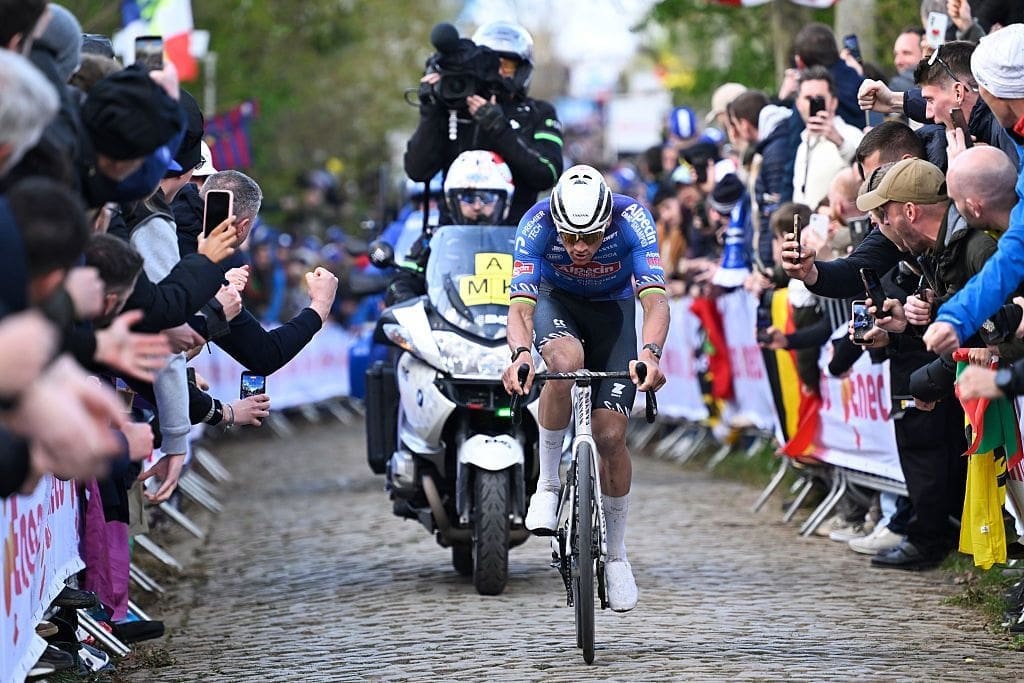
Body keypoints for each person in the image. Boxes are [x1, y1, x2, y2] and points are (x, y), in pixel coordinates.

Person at [502, 165, 670, 612]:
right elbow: (519, 306)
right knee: (565, 364)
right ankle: (549, 483)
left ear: (607, 222)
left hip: (613, 314)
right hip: (558, 306)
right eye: (570, 238)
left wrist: (650, 354)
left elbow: (654, 300)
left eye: (591, 238)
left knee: (611, 436)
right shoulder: (536, 224)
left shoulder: (632, 219)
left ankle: (616, 556)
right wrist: (520, 355)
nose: (579, 248)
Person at [924, 24, 1024, 355]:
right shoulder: (1015, 135)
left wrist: (957, 317)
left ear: (997, 92)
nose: (977, 96)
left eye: (980, 88)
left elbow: (1014, 253)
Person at [404, 20, 562, 224]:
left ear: (522, 69)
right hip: (453, 241)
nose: (496, 73)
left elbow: (547, 174)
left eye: (506, 66)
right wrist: (431, 110)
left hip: (516, 239)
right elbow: (417, 170)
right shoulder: (454, 107)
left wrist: (498, 126)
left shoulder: (538, 112)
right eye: (489, 64)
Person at [385, 150, 514, 306]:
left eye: (487, 198)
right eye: (468, 198)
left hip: (511, 328)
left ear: (504, 200)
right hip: (449, 328)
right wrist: (406, 301)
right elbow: (403, 280)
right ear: (451, 200)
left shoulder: (519, 243)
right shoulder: (433, 240)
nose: (477, 206)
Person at [792, 67, 864, 209]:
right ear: (798, 104)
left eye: (819, 99)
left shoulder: (851, 134)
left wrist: (839, 142)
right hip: (806, 226)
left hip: (840, 225)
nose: (813, 104)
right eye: (808, 98)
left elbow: (866, 173)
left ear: (833, 102)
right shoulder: (803, 144)